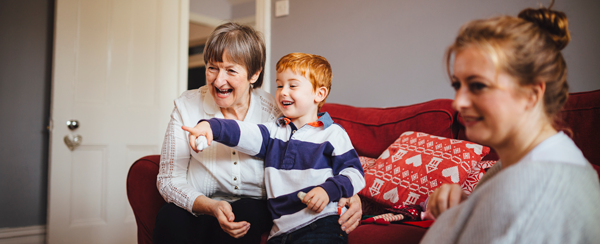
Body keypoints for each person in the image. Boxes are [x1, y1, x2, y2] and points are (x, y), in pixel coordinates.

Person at [154, 23, 362, 244]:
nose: (218, 80)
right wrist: (211, 205)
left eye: (231, 70)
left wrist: (343, 191)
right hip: (201, 203)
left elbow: (316, 159)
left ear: (254, 74)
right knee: (170, 217)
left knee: (245, 215)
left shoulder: (277, 113)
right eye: (212, 67)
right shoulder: (186, 106)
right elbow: (169, 179)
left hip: (254, 207)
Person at [421, 3, 600, 243]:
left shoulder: (537, 194)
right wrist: (465, 209)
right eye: (458, 85)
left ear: (531, 94)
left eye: (478, 86)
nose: (458, 102)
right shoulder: (516, 167)